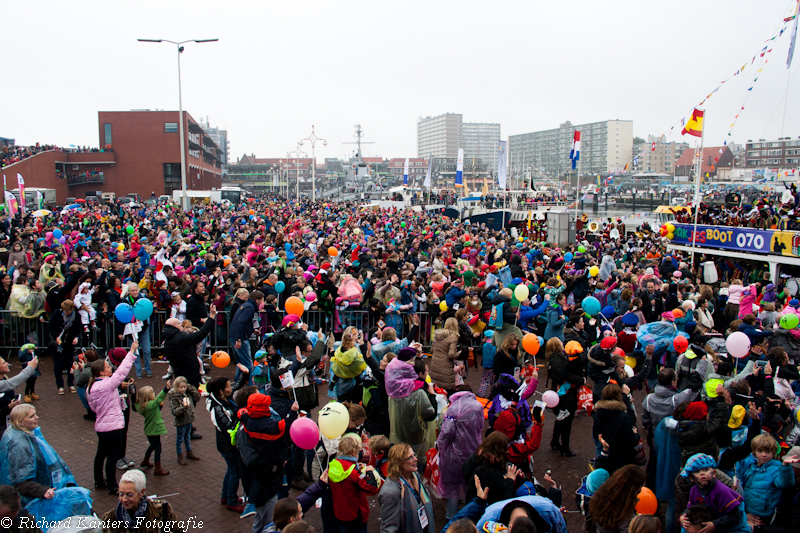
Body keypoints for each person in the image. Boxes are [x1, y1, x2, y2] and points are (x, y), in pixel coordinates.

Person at [0, 405, 92, 526]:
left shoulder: (18, 433)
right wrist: (42, 490)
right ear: (21, 422)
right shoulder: (19, 444)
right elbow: (21, 482)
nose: (37, 418)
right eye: (32, 416)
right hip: (33, 499)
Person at [235, 392, 298, 533]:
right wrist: (292, 413)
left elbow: (240, 412)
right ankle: (252, 503)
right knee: (268, 518)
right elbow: (284, 428)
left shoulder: (247, 420)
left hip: (264, 476)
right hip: (266, 478)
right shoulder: (267, 427)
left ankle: (253, 503)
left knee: (261, 517)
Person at [87, 340, 138, 494]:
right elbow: (122, 372)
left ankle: (98, 481)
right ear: (101, 372)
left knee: (100, 454)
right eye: (108, 367)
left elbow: (94, 408)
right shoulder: (107, 384)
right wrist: (132, 352)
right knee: (112, 457)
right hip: (113, 427)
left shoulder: (92, 388)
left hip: (101, 426)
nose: (110, 368)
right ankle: (112, 486)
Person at [206, 367, 251, 515]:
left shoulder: (223, 398)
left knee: (230, 470)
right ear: (221, 391)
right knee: (235, 472)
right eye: (228, 387)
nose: (231, 388)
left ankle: (226, 496)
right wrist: (240, 415)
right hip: (227, 445)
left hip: (230, 444)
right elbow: (227, 428)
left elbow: (237, 386)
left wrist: (245, 374)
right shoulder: (217, 408)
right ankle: (231, 500)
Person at [436, 385, 484, 520]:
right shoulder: (478, 406)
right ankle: (469, 512)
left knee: (452, 486)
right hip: (473, 451)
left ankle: (451, 516)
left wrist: (439, 446)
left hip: (453, 454)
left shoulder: (453, 408)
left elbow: (447, 433)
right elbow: (480, 427)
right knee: (470, 482)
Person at [735, 433, 797, 525]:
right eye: (760, 451)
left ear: (773, 453)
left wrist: (786, 466)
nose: (764, 455)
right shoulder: (752, 466)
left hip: (762, 516)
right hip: (747, 510)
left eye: (767, 452)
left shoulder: (776, 469)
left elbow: (785, 483)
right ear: (754, 453)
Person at [678, 454, 749, 533]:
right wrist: (683, 517)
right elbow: (690, 509)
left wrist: (714, 525)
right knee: (685, 528)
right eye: (697, 471)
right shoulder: (694, 491)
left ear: (714, 473)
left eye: (706, 470)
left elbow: (734, 516)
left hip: (733, 527)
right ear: (691, 477)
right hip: (711, 523)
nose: (702, 473)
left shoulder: (721, 490)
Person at [328, 434, 381, 533]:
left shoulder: (333, 467)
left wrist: (356, 469)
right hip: (355, 514)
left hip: (340, 513)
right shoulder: (353, 473)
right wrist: (369, 472)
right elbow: (370, 488)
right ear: (353, 452)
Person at [378, 442, 435, 533]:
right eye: (410, 457)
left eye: (414, 455)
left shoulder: (414, 477)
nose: (415, 459)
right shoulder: (390, 492)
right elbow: (389, 529)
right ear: (399, 462)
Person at [100, 469, 181, 533]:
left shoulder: (161, 510)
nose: (124, 499)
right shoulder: (110, 518)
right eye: (121, 494)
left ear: (141, 492)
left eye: (129, 495)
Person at [162, 303, 216, 388]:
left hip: (179, 374)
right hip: (190, 373)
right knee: (190, 396)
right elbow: (200, 335)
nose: (180, 325)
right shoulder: (181, 337)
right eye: (178, 324)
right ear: (174, 327)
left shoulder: (167, 341)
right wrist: (211, 317)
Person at [547, 338, 584, 457]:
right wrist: (581, 380)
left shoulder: (554, 359)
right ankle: (565, 447)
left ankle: (555, 442)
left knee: (560, 418)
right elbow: (566, 375)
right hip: (566, 395)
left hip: (559, 393)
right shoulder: (560, 361)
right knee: (567, 420)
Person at [589, 464, 647, 533]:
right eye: (640, 486)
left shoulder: (603, 492)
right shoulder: (623, 510)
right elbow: (627, 530)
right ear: (632, 488)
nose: (641, 489)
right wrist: (638, 520)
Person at [133, 383, 170, 476]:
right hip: (154, 429)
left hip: (149, 430)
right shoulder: (150, 405)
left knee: (153, 445)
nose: (154, 393)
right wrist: (165, 389)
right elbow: (158, 399)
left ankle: (145, 460)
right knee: (158, 448)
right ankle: (158, 469)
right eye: (152, 392)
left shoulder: (142, 406)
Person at [229, 290, 264, 384]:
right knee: (248, 363)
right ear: (257, 300)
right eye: (261, 300)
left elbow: (242, 322)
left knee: (241, 363)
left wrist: (252, 330)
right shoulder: (250, 307)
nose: (262, 303)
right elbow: (241, 322)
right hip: (241, 337)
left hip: (234, 335)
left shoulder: (246, 305)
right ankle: (249, 385)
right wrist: (239, 339)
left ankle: (237, 382)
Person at [47, 299, 81, 395]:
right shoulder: (57, 313)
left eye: (68, 311)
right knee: (57, 365)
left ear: (72, 309)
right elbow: (50, 327)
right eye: (65, 311)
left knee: (70, 363)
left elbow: (78, 329)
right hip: (57, 344)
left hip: (69, 344)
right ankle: (60, 385)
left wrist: (77, 337)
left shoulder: (77, 316)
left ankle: (70, 384)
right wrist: (56, 337)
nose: (66, 312)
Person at [168, 376, 202, 465]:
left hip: (189, 420)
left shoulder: (187, 393)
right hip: (181, 422)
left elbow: (197, 397)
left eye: (184, 387)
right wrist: (183, 407)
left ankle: (189, 452)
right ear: (176, 387)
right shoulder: (174, 396)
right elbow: (174, 411)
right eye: (181, 387)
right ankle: (180, 456)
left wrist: (191, 388)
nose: (183, 389)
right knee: (180, 439)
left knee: (188, 437)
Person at [429, 317, 460, 395]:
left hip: (435, 365)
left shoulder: (437, 335)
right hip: (446, 366)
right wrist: (459, 353)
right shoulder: (453, 337)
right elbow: (451, 354)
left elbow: (432, 349)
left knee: (436, 389)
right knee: (447, 390)